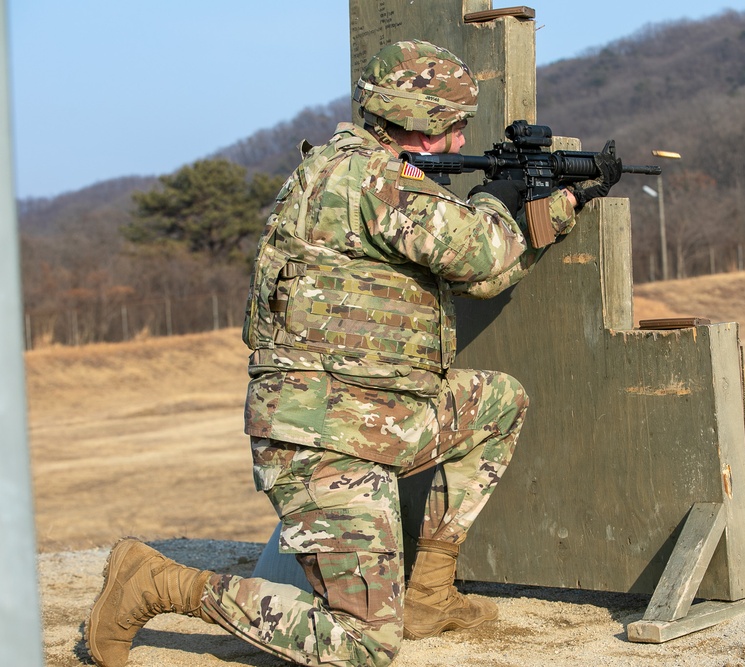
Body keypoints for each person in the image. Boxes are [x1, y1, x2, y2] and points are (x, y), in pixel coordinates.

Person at [86, 39, 622, 667]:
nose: (457, 142)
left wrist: (502, 202)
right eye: (453, 126)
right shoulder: (376, 182)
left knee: (498, 402)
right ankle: (159, 583)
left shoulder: (340, 170)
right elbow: (485, 257)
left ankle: (428, 594)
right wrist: (560, 202)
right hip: (322, 440)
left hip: (373, 414)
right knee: (363, 645)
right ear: (422, 125)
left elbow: (475, 273)